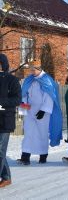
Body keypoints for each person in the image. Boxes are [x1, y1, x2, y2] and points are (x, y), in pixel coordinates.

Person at [17, 59, 62, 165]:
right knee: (28, 133)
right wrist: (23, 102)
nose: (31, 72)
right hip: (30, 110)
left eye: (33, 70)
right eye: (30, 70)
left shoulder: (47, 80)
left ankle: (43, 156)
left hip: (43, 112)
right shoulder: (29, 80)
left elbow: (50, 96)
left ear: (38, 68)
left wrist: (43, 110)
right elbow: (24, 93)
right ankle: (25, 157)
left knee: (42, 133)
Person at [0, 54, 21, 188]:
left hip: (5, 120)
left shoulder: (12, 80)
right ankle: (6, 177)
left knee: (0, 150)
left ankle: (5, 177)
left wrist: (2, 102)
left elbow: (17, 99)